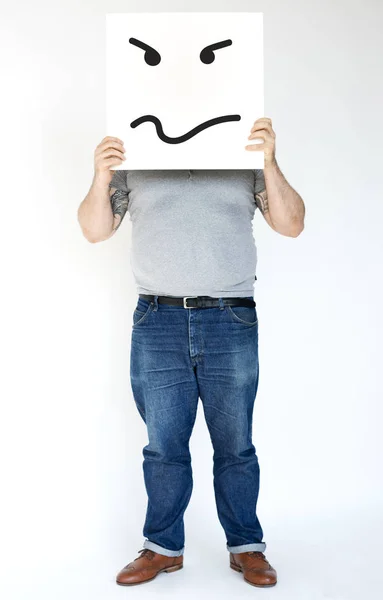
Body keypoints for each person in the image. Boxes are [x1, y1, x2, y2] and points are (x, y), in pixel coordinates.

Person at [77, 117, 305, 587]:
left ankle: (247, 547)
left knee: (236, 446)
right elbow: (95, 231)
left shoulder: (241, 157)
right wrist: (101, 176)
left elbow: (292, 224)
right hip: (157, 321)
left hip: (231, 319)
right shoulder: (136, 158)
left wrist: (268, 160)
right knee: (163, 448)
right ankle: (162, 547)